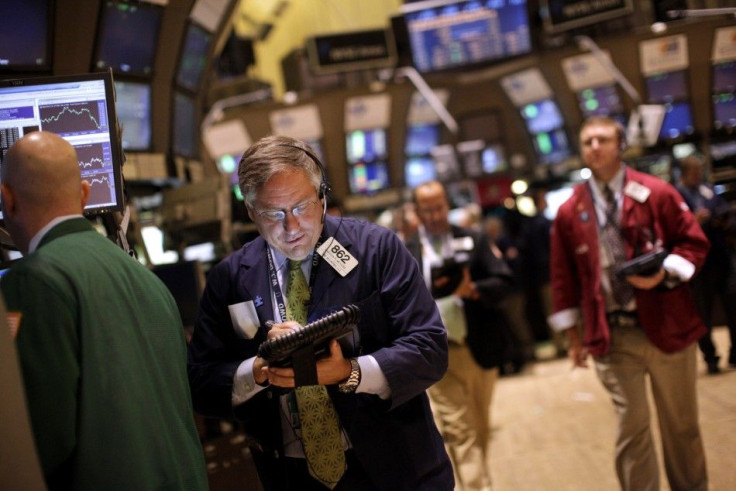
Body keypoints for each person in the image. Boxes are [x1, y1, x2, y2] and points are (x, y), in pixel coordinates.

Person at [188, 135, 453, 490]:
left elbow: (429, 348)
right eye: (273, 213)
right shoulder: (228, 279)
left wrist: (350, 371)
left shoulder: (377, 249)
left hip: (399, 469)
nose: (291, 227)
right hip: (294, 478)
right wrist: (258, 371)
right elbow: (200, 383)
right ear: (251, 212)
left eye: (301, 207)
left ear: (322, 195)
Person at [0, 131, 208, 490]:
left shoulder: (32, 282)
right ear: (84, 194)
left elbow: (38, 441)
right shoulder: (149, 281)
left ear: (7, 200)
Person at [548, 116, 710, 491]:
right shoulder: (571, 210)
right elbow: (563, 278)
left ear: (621, 145)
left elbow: (694, 243)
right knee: (632, 428)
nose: (594, 147)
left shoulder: (656, 191)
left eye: (603, 139)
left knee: (681, 425)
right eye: (587, 141)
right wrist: (574, 337)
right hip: (614, 334)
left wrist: (665, 273)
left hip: (668, 324)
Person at [405, 181, 513, 491]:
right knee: (459, 430)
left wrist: (474, 290)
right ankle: (478, 486)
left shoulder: (473, 239)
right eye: (428, 210)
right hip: (437, 355)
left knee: (479, 426)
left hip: (478, 345)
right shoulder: (406, 251)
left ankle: (476, 480)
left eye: (440, 207)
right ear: (417, 212)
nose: (436, 215)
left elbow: (504, 281)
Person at [676, 153, 736, 373]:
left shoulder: (707, 188)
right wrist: (694, 221)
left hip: (721, 255)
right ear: (684, 173)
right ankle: (710, 358)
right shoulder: (675, 195)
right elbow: (673, 229)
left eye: (699, 171)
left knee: (733, 305)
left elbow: (721, 208)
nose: (698, 175)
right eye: (694, 172)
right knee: (703, 314)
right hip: (698, 265)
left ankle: (735, 353)